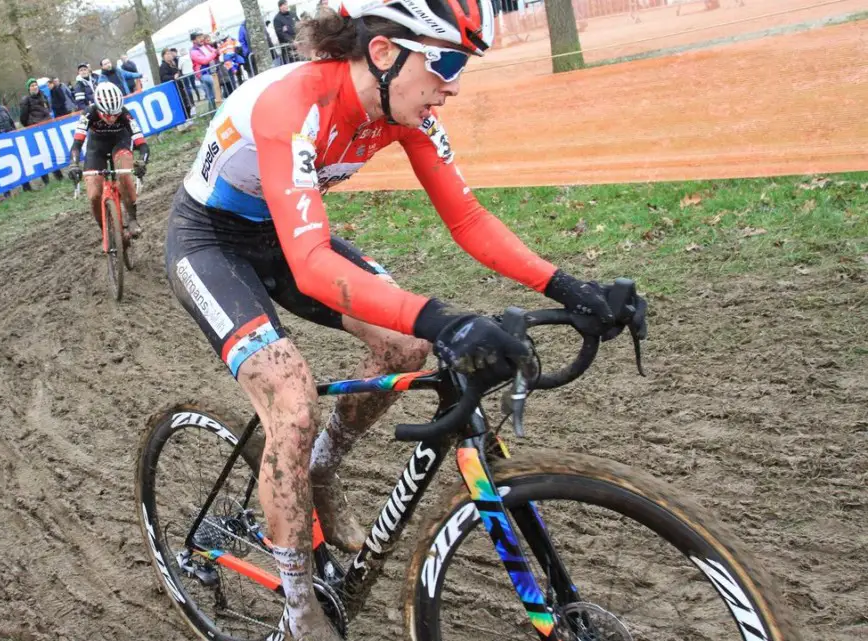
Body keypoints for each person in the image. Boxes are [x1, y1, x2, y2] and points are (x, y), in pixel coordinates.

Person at [163, 2, 646, 639]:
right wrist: (446, 318)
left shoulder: (403, 109)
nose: (452, 84)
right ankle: (300, 608)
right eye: (445, 61)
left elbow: (469, 220)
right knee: (292, 398)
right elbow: (311, 266)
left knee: (406, 346)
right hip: (210, 242)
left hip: (284, 234)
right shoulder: (294, 104)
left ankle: (321, 468)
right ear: (386, 53)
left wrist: (569, 287)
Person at [67, 83, 148, 239]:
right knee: (94, 195)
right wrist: (74, 164)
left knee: (124, 174)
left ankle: (132, 218)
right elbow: (77, 144)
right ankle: (106, 232)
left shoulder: (125, 114)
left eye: (115, 114)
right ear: (98, 108)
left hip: (120, 142)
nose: (112, 118)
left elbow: (142, 144)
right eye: (107, 115)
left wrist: (142, 161)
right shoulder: (88, 114)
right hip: (96, 147)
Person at [20, 79, 63, 183]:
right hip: (36, 130)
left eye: (35, 85)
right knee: (41, 155)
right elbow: (23, 117)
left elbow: (48, 108)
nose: (34, 87)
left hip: (47, 127)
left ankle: (58, 175)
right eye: (32, 86)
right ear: (28, 88)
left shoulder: (43, 96)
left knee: (52, 152)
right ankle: (46, 180)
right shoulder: (26, 100)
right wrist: (31, 125)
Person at [189, 32, 219, 111]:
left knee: (211, 96)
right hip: (203, 74)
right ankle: (217, 107)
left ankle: (212, 112)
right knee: (215, 84)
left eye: (201, 37)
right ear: (194, 41)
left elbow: (216, 52)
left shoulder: (207, 46)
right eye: (198, 38)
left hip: (212, 71)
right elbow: (204, 61)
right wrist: (214, 53)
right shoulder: (193, 52)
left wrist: (217, 51)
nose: (201, 39)